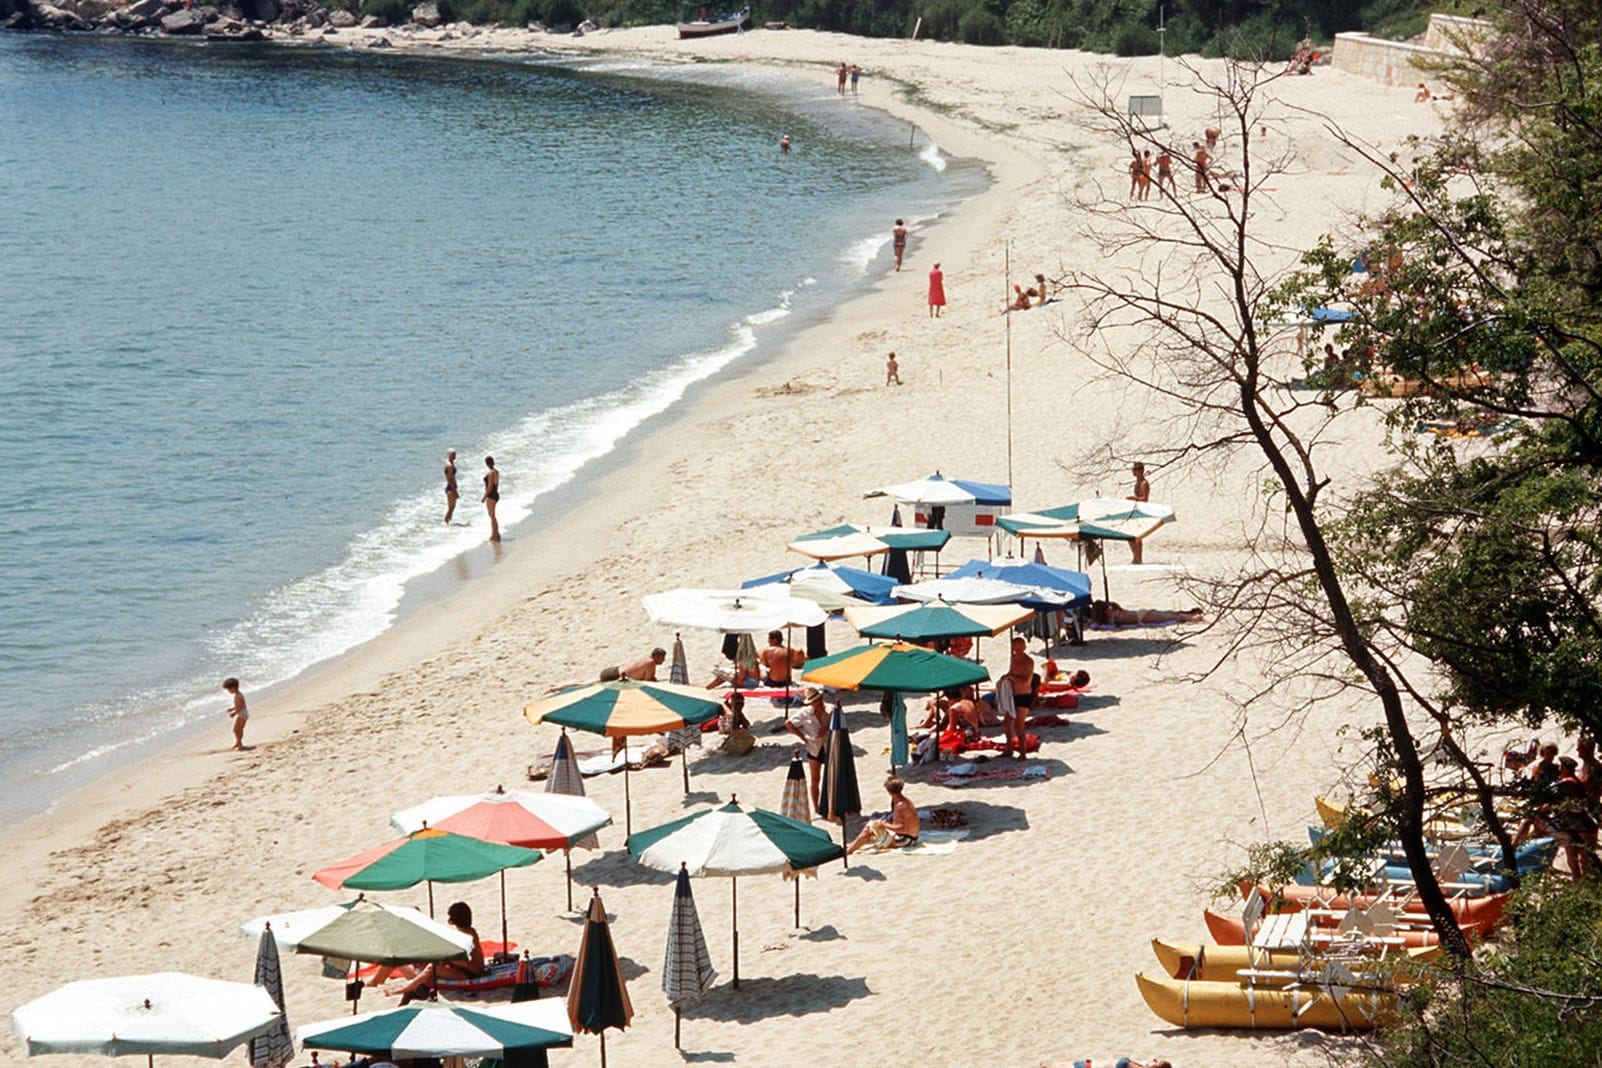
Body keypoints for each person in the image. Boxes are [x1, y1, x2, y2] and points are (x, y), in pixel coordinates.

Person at [397, 902, 485, 1005]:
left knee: (431, 968)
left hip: (469, 974)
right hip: (471, 970)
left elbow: (464, 963)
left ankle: (410, 987)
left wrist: (447, 959)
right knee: (433, 962)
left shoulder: (465, 935)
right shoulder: (470, 931)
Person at [847, 775, 920, 853]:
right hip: (909, 837)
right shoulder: (903, 800)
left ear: (888, 791)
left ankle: (850, 849)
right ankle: (853, 845)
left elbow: (901, 828)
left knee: (870, 827)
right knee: (873, 824)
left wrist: (883, 825)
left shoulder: (900, 806)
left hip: (906, 840)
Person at [786, 688, 830, 812]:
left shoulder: (830, 710)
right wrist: (803, 738)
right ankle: (816, 808)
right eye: (815, 701)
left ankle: (830, 805)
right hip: (814, 747)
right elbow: (789, 724)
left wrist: (826, 729)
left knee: (831, 778)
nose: (819, 702)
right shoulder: (805, 713)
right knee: (815, 779)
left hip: (829, 746)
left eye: (819, 699)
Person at [1001, 637, 1034, 758]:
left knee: (1019, 726)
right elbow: (1012, 673)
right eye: (1016, 647)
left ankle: (1023, 753)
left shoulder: (1028, 661)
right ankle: (1008, 749)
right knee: (1007, 723)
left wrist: (1011, 677)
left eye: (1020, 647)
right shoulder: (1013, 658)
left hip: (1024, 695)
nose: (1018, 650)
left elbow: (1025, 681)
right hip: (1012, 695)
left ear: (1025, 647)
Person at [1089, 600, 1203, 626]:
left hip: (1141, 618)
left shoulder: (1109, 612)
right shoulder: (1112, 608)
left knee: (1170, 617)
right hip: (1140, 614)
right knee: (1169, 615)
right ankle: (1191, 614)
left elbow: (1110, 624)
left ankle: (1192, 618)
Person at [1128, 461, 1151, 563]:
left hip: (1141, 510)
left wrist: (1134, 498)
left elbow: (1145, 499)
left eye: (1135, 470)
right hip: (1135, 509)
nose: (1134, 472)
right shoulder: (1137, 483)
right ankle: (1135, 556)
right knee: (1130, 534)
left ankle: (1139, 558)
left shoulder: (1144, 484)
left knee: (1137, 535)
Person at [222, 677, 248, 750]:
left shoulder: (238, 696)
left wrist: (234, 713)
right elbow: (239, 705)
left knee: (236, 730)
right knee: (240, 729)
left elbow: (242, 706)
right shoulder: (238, 694)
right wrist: (232, 708)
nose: (228, 691)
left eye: (228, 689)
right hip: (244, 713)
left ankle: (239, 743)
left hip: (242, 714)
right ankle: (239, 742)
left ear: (233, 688)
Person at [481, 456, 500, 542]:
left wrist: (484, 497)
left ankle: (493, 535)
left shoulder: (491, 473)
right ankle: (496, 533)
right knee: (492, 515)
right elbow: (496, 484)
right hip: (495, 494)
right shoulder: (496, 472)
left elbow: (490, 486)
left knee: (492, 516)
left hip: (491, 495)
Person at [442, 449, 458, 524]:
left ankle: (448, 522)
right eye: (453, 454)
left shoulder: (448, 463)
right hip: (451, 487)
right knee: (452, 507)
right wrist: (455, 491)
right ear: (449, 455)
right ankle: (445, 522)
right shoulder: (450, 465)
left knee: (451, 506)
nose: (455, 456)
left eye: (455, 454)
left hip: (451, 486)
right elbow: (449, 479)